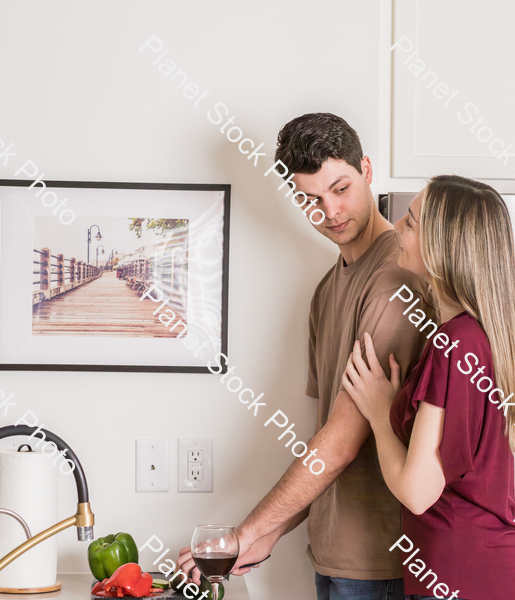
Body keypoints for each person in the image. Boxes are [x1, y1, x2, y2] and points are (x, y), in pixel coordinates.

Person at [177, 113, 436, 600]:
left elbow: (342, 440)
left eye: (340, 188)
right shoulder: (325, 289)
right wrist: (268, 536)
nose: (330, 211)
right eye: (310, 199)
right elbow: (324, 440)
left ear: (367, 169)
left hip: (382, 563)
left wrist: (246, 531)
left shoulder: (394, 280)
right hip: (332, 555)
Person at [342, 175, 515, 600]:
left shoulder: (456, 342)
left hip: (463, 578)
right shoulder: (471, 336)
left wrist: (379, 414)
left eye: (411, 222)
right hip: (473, 573)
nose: (396, 225)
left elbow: (417, 492)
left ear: (441, 248)